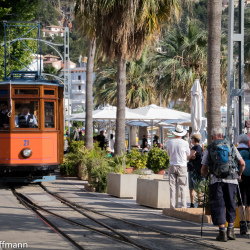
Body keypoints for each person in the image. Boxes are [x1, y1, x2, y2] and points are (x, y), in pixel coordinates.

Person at [201, 128, 245, 242]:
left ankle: (222, 233)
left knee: (218, 204)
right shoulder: (231, 145)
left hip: (216, 181)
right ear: (222, 135)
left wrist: (207, 177)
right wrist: (239, 175)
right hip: (232, 179)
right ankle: (231, 230)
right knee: (231, 203)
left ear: (212, 137)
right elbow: (242, 163)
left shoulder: (209, 148)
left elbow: (203, 167)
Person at [167, 125, 190, 208]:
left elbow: (168, 153)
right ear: (182, 133)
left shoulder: (169, 142)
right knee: (183, 186)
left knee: (172, 186)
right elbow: (188, 153)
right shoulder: (185, 143)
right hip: (182, 165)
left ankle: (172, 205)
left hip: (172, 164)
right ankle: (183, 205)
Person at [236, 134, 250, 235]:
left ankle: (242, 225)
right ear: (247, 142)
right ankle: (249, 223)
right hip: (249, 178)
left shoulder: (235, 150)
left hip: (239, 178)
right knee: (249, 203)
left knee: (241, 202)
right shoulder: (249, 151)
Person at [187, 134, 203, 208]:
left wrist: (188, 156)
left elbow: (190, 157)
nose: (191, 140)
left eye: (191, 138)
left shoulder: (195, 147)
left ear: (194, 139)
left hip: (193, 169)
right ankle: (200, 203)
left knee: (192, 188)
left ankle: (192, 203)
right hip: (198, 169)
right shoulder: (200, 147)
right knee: (198, 187)